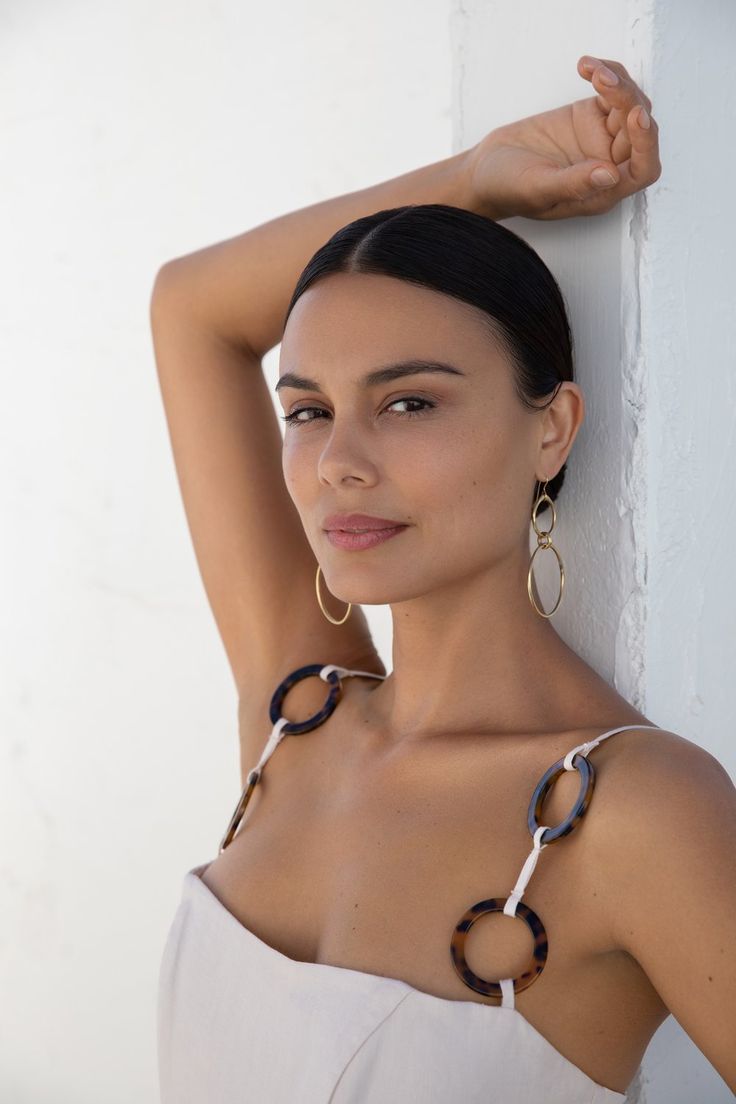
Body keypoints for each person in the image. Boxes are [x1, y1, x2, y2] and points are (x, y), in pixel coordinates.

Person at [150, 55, 736, 1102]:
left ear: (549, 429)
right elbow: (191, 307)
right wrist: (473, 181)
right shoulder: (295, 722)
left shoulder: (635, 814)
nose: (340, 461)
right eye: (308, 409)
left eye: (409, 402)